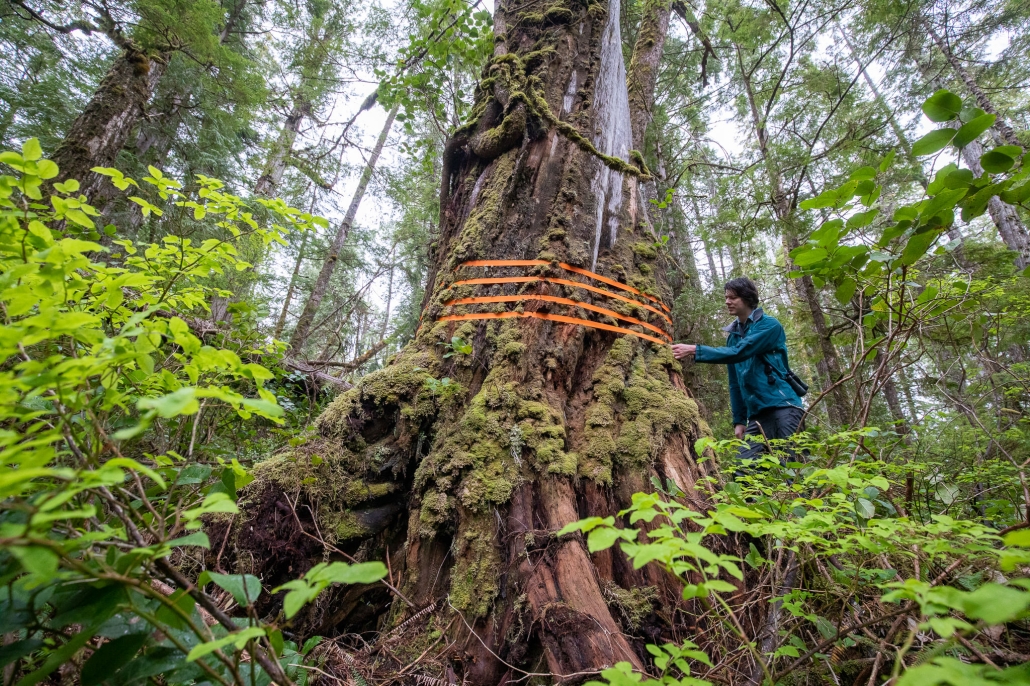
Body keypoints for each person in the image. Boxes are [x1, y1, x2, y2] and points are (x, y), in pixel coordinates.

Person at [672, 277, 804, 465]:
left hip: (784, 406)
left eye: (733, 297)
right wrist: (739, 420)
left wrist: (695, 350)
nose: (727, 302)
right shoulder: (733, 337)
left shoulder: (769, 325)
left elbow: (740, 352)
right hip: (758, 414)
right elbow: (735, 383)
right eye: (726, 297)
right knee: (745, 471)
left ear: (747, 298)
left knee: (792, 466)